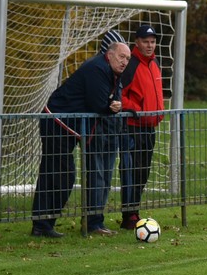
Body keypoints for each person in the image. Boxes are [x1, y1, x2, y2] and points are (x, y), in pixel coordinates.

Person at [30, 41, 131, 237]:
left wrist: (112, 104)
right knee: (60, 174)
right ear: (109, 55)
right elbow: (98, 104)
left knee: (58, 174)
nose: (124, 62)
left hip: (67, 126)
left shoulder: (111, 72)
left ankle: (43, 224)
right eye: (121, 56)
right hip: (57, 122)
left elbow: (108, 102)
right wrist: (111, 106)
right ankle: (42, 224)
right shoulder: (97, 69)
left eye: (127, 58)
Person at [118, 24, 166, 229]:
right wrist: (136, 109)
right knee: (131, 170)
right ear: (137, 42)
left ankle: (134, 210)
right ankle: (129, 215)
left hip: (149, 127)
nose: (149, 45)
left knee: (143, 172)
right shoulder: (131, 64)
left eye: (152, 42)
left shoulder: (155, 63)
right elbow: (119, 94)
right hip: (132, 126)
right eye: (145, 41)